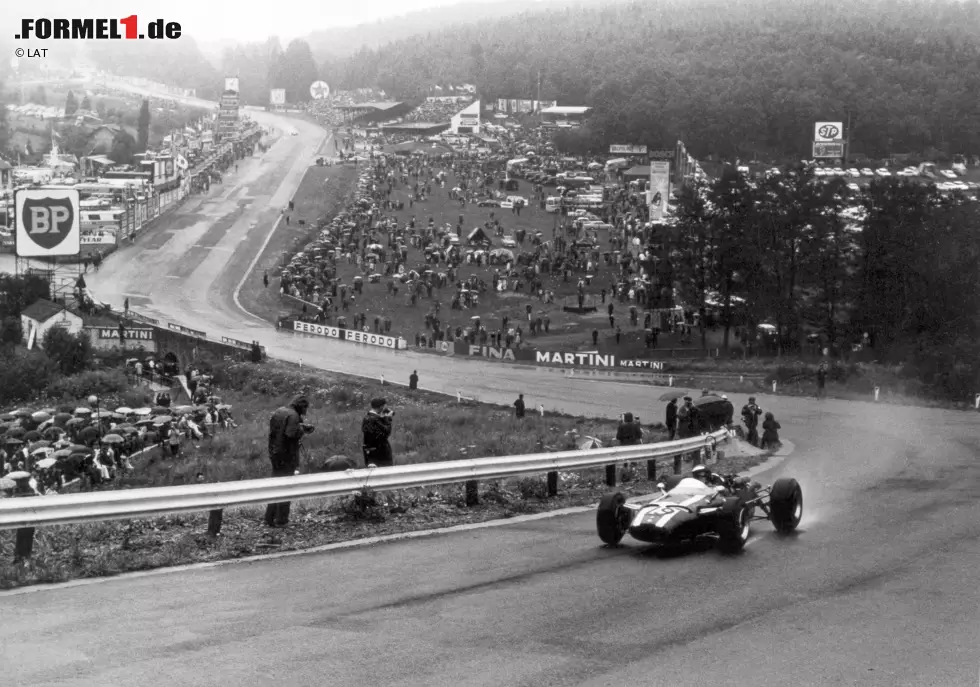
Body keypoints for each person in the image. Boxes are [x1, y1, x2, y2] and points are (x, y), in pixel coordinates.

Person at [265, 394, 314, 527]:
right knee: (286, 488)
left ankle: (269, 518)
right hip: (287, 456)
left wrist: (300, 425)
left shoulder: (280, 411)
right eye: (306, 408)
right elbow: (291, 433)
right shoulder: (294, 415)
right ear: (302, 406)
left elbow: (280, 430)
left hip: (274, 454)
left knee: (275, 486)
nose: (306, 411)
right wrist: (303, 429)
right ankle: (282, 520)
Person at [362, 398, 394, 467]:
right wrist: (388, 419)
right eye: (384, 406)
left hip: (370, 451)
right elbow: (386, 432)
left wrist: (382, 418)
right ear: (381, 407)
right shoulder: (375, 419)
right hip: (380, 453)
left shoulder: (367, 418)